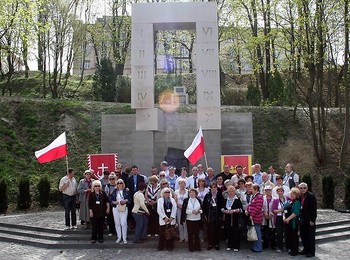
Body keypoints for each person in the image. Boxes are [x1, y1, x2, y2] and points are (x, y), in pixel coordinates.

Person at [202, 181, 223, 250]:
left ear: (216, 188)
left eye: (215, 187)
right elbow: (204, 206)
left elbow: (222, 205)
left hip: (217, 215)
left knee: (217, 230)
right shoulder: (207, 195)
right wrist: (205, 215)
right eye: (212, 187)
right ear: (210, 188)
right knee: (210, 230)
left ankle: (216, 243)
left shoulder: (219, 195)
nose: (213, 189)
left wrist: (221, 215)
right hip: (209, 215)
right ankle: (210, 243)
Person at [222, 185, 243, 251]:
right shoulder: (225, 200)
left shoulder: (237, 200)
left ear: (234, 192)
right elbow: (222, 208)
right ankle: (229, 244)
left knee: (235, 232)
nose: (230, 193)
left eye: (232, 191)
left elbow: (241, 209)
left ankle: (236, 246)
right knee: (228, 231)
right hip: (228, 218)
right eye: (229, 191)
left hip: (235, 218)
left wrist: (234, 211)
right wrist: (225, 211)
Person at [299, 182, 317, 257]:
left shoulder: (311, 196)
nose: (303, 189)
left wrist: (312, 220)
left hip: (309, 219)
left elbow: (314, 209)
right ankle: (305, 249)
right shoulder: (299, 196)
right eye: (301, 188)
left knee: (310, 236)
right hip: (302, 220)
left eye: (304, 188)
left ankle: (311, 252)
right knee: (303, 235)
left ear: (307, 188)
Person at [110, 179, 129, 244]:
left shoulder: (126, 191)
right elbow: (110, 199)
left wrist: (125, 201)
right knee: (117, 223)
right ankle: (119, 237)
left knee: (123, 222)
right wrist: (114, 202)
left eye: (121, 183)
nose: (119, 184)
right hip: (116, 207)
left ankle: (124, 237)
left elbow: (130, 199)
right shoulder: (114, 191)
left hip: (123, 207)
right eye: (118, 183)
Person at [283, 187, 301, 256]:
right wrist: (284, 217)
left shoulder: (297, 202)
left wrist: (288, 219)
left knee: (294, 236)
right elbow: (284, 210)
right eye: (291, 194)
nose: (292, 195)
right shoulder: (288, 201)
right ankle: (290, 248)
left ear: (296, 195)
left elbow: (296, 212)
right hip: (286, 222)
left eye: (294, 194)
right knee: (288, 236)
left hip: (292, 222)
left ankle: (294, 250)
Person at [246, 183, 264, 252]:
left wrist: (252, 215)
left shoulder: (259, 196)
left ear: (256, 189)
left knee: (257, 233)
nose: (250, 190)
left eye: (252, 189)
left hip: (256, 218)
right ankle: (254, 246)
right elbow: (250, 204)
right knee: (254, 232)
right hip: (252, 217)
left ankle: (258, 248)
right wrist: (247, 210)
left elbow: (258, 208)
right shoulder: (253, 196)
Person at [272, 186, 289, 253]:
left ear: (283, 192)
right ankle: (280, 247)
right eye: (279, 191)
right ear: (277, 192)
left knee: (287, 232)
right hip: (279, 218)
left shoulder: (287, 198)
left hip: (286, 217)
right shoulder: (276, 200)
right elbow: (273, 210)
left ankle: (288, 246)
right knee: (279, 233)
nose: (280, 192)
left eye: (281, 191)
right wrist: (281, 210)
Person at [175, 179, 189, 243]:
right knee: (180, 223)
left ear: (185, 185)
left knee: (185, 223)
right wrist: (180, 206)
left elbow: (189, 200)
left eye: (183, 184)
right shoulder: (176, 192)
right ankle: (181, 238)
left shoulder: (188, 191)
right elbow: (175, 201)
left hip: (186, 209)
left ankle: (186, 238)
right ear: (179, 184)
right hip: (178, 209)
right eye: (181, 184)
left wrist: (184, 208)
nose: (182, 185)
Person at [262, 185, 275, 250]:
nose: (268, 192)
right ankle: (265, 244)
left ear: (271, 191)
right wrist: (265, 214)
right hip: (265, 217)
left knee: (272, 230)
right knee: (265, 230)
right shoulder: (262, 198)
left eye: (269, 190)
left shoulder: (275, 199)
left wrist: (271, 214)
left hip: (272, 217)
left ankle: (273, 245)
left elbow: (275, 207)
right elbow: (261, 207)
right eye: (266, 190)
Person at [105, 172, 117, 237]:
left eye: (113, 179)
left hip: (117, 204)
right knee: (110, 218)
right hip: (110, 204)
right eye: (110, 179)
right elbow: (106, 195)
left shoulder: (118, 185)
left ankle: (117, 230)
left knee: (117, 218)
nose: (112, 180)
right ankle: (111, 231)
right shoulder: (107, 186)